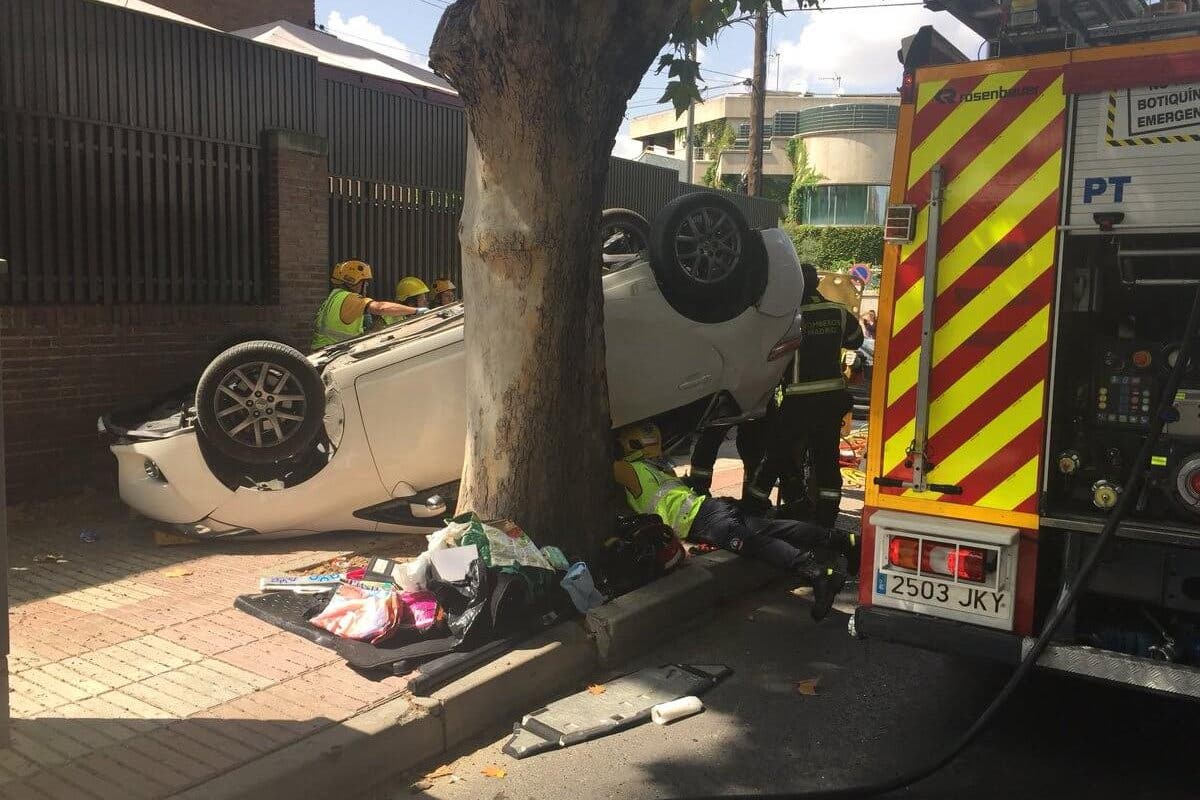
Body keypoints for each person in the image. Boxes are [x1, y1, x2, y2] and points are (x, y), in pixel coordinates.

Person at [614, 422, 851, 621]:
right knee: (772, 528)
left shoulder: (631, 469)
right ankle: (841, 540)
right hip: (711, 510)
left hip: (703, 518)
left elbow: (609, 465)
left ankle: (817, 572)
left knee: (754, 544)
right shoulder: (661, 467)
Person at [746, 263, 864, 535]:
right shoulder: (838, 313)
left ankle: (753, 508)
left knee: (775, 455)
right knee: (827, 461)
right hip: (830, 401)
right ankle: (826, 520)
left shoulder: (788, 317)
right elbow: (856, 341)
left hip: (797, 400)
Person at [310, 260, 425, 351]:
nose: (366, 286)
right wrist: (416, 311)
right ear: (356, 282)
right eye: (365, 282)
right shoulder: (350, 298)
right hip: (332, 352)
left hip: (323, 351)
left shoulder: (335, 296)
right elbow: (380, 308)